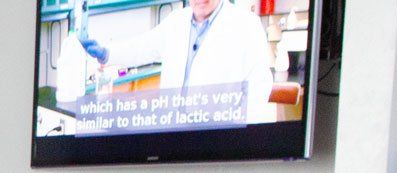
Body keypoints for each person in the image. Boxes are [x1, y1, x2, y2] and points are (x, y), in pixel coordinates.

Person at [81, 0, 277, 124]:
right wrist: (106, 53)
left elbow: (258, 90)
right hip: (172, 132)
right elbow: (143, 47)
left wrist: (240, 144)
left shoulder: (245, 25)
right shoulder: (177, 21)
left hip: (217, 137)